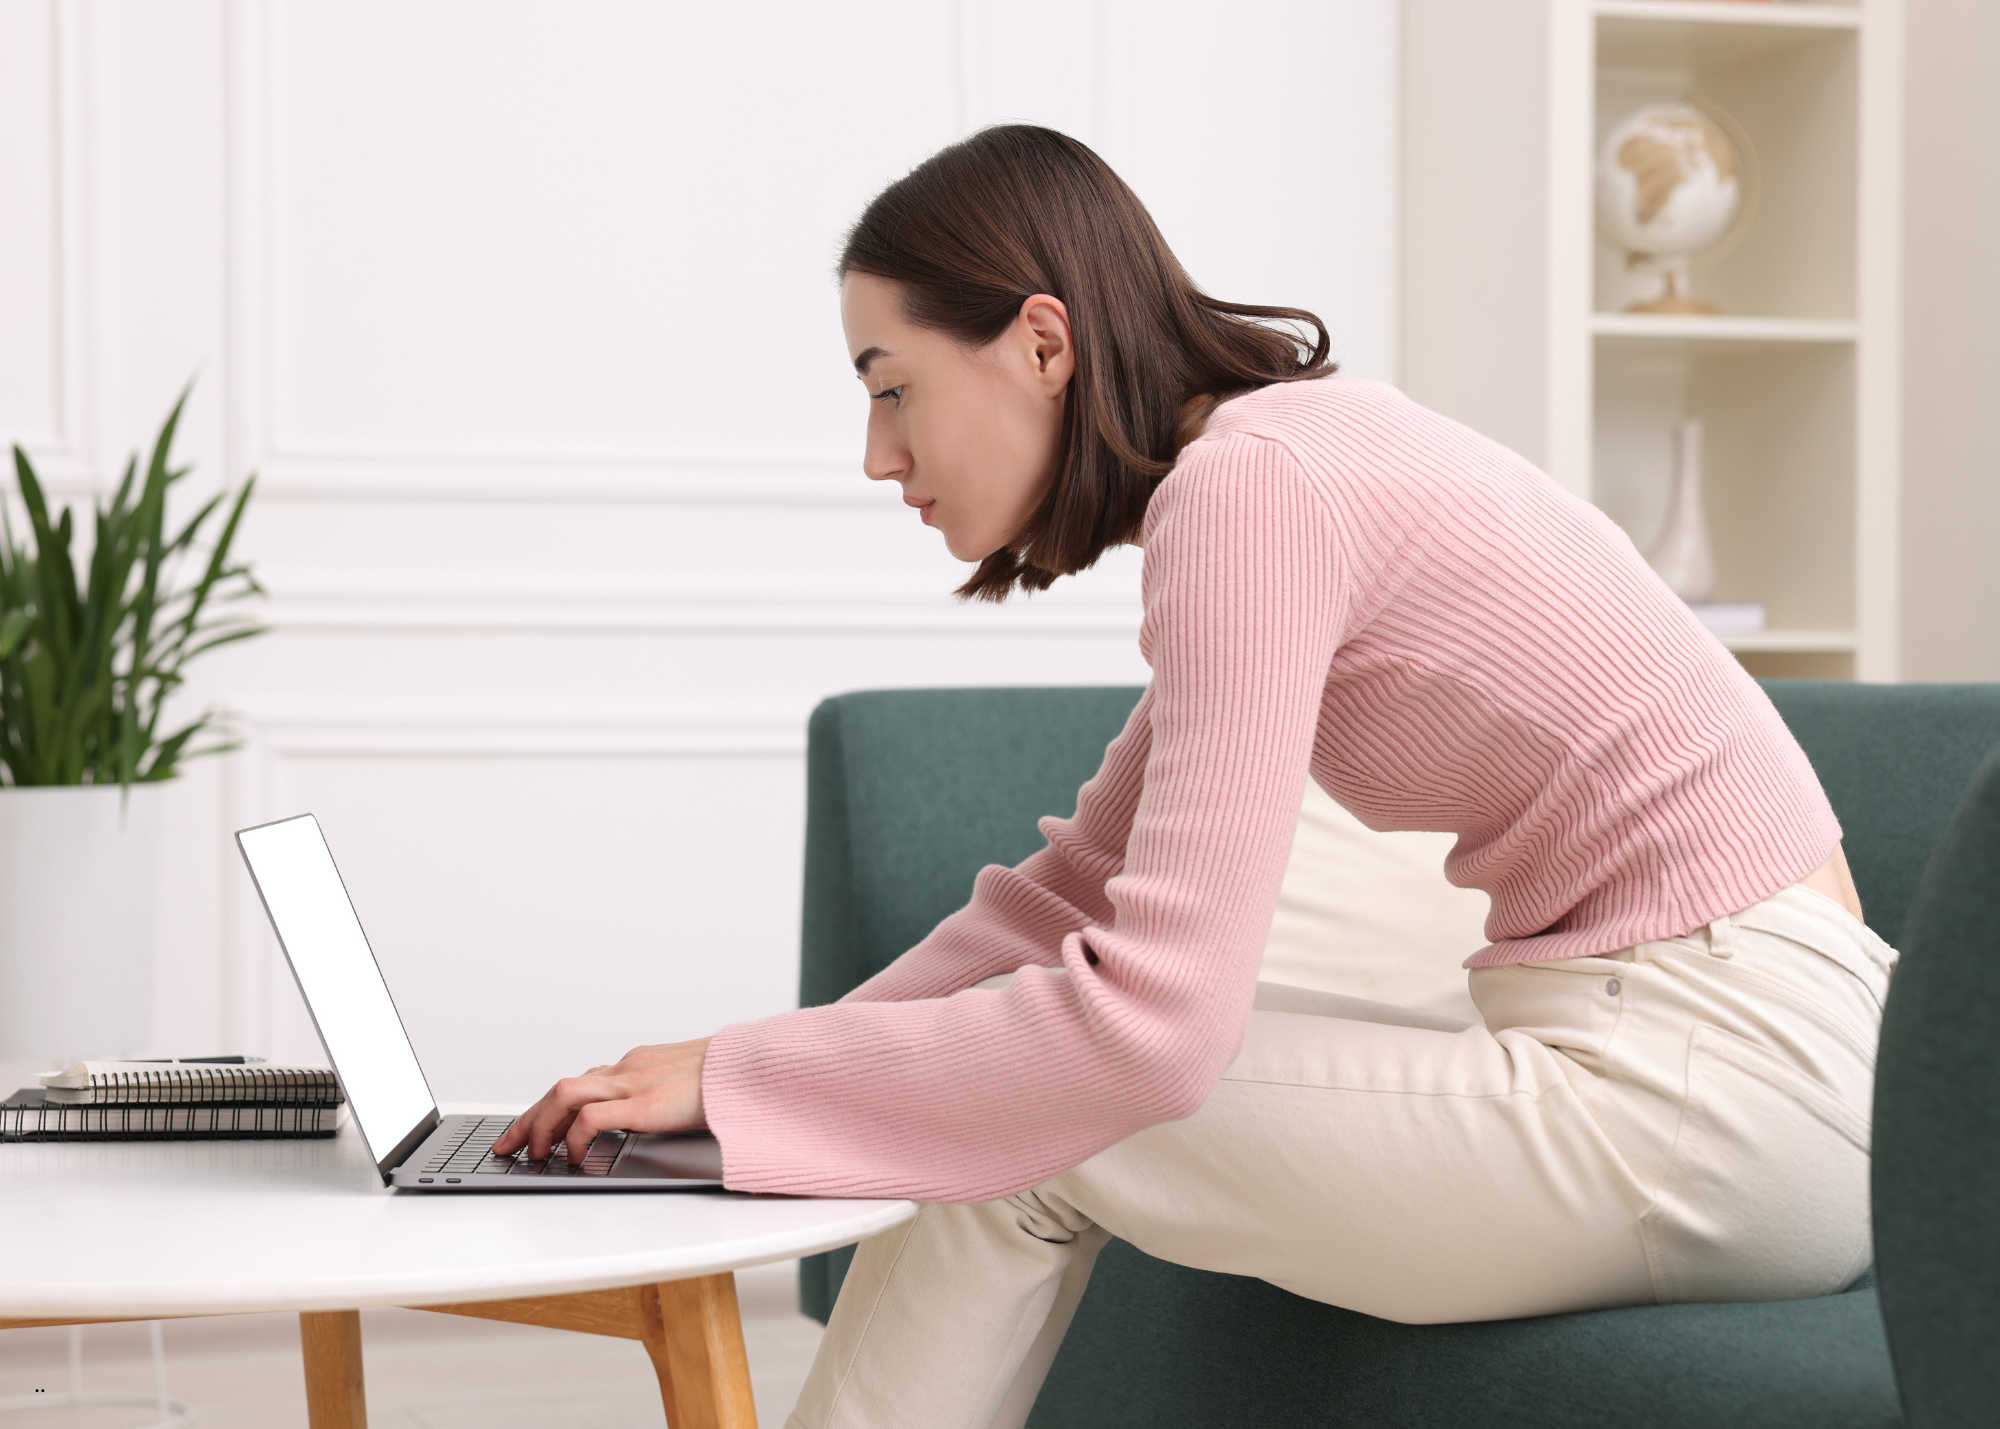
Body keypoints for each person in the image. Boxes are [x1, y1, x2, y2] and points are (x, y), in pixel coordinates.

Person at [494, 126, 1895, 1429]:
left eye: (893, 388)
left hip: (1719, 1092)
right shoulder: (1286, 457)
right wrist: (742, 1079)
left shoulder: (1251, 489)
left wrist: (751, 1083)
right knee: (1012, 1072)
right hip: (1759, 1071)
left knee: (1033, 1115)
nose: (878, 456)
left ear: (1042, 342)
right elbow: (1069, 895)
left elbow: (1151, 1034)